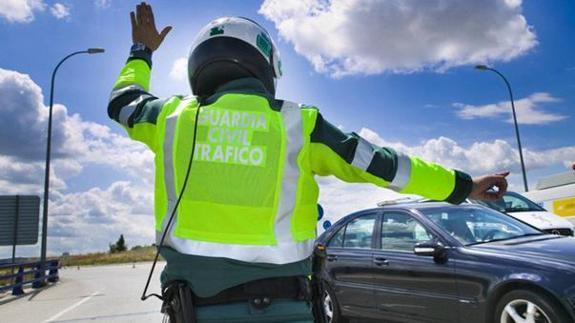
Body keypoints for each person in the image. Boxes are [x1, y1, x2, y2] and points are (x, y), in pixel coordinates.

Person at [107, 3, 508, 322]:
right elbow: (385, 165)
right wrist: (461, 185)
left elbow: (123, 101)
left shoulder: (170, 119)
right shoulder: (300, 124)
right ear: (265, 66)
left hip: (195, 308)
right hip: (286, 307)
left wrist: (141, 51)